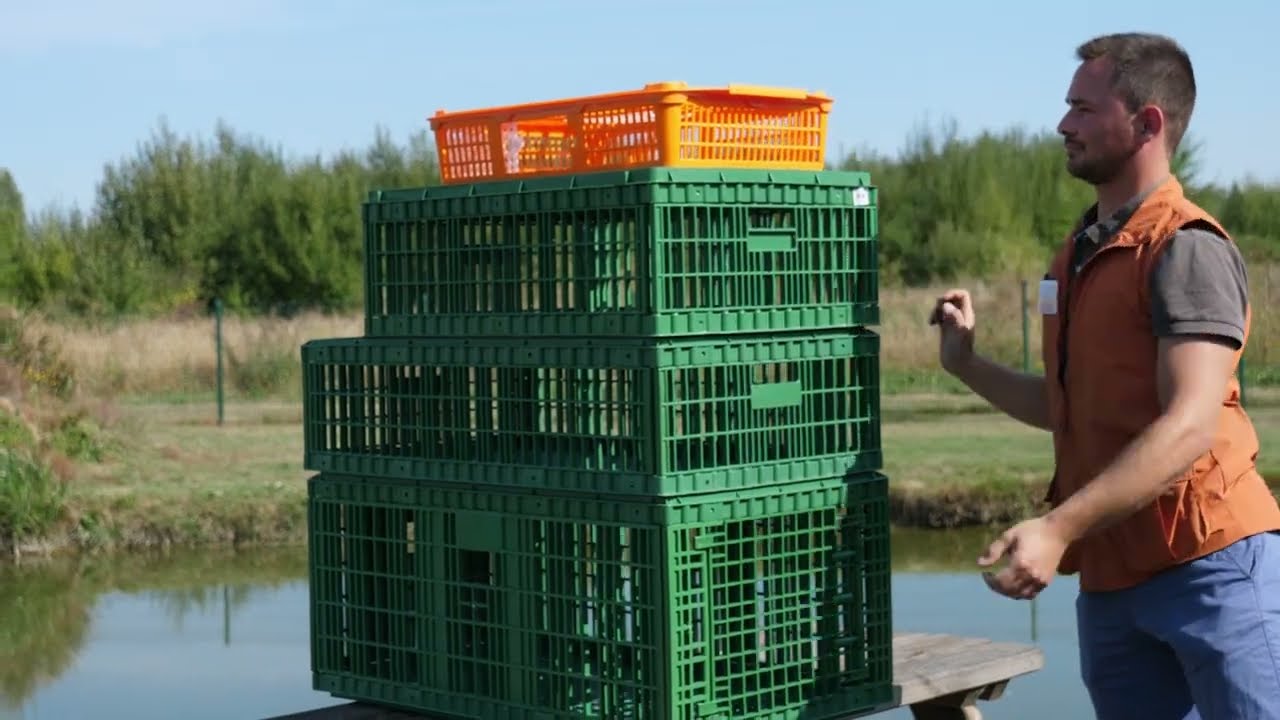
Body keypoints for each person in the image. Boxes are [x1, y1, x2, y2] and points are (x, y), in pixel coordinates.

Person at [929, 32, 1280, 719]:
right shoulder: (1081, 252)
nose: (1063, 124)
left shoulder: (1186, 248)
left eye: (1084, 109)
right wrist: (966, 363)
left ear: (1147, 123)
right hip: (1113, 582)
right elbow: (1068, 406)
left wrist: (1057, 528)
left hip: (1209, 569)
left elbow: (1188, 426)